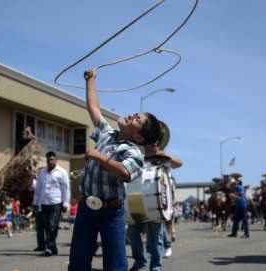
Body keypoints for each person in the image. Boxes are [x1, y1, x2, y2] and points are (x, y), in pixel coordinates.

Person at [68, 69, 161, 271]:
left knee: (116, 265)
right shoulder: (106, 133)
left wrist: (100, 157)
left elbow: (125, 174)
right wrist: (91, 80)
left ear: (138, 137)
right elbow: (93, 107)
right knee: (77, 264)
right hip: (86, 208)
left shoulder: (134, 152)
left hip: (111, 213)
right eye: (136, 114)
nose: (132, 116)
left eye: (137, 119)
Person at [128, 143, 182, 271]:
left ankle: (156, 266)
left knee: (156, 238)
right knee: (133, 235)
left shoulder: (162, 157)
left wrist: (163, 154)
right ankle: (139, 262)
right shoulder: (136, 153)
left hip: (155, 201)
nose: (154, 144)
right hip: (133, 197)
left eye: (156, 142)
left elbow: (178, 163)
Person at [33, 151, 70, 256]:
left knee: (52, 225)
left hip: (56, 202)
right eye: (49, 160)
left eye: (52, 159)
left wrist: (65, 203)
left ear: (56, 160)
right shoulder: (42, 172)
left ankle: (50, 247)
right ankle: (52, 247)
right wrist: (35, 202)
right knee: (47, 226)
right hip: (44, 203)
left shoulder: (62, 172)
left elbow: (66, 188)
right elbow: (38, 189)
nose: (50, 161)